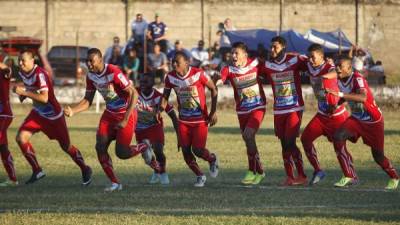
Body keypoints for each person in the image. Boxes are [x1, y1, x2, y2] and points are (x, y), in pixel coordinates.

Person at [64, 48, 159, 192]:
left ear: (100, 60)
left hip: (126, 113)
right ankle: (115, 183)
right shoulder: (90, 76)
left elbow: (134, 93)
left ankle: (144, 146)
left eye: (92, 61)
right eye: (87, 61)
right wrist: (73, 110)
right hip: (109, 114)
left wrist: (126, 118)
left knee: (122, 153)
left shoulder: (113, 72)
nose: (89, 64)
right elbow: (87, 100)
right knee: (100, 146)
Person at [13, 50, 92, 185]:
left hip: (53, 117)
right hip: (38, 114)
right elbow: (31, 90)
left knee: (66, 147)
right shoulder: (23, 73)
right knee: (21, 138)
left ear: (33, 61)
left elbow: (44, 98)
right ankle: (37, 170)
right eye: (19, 60)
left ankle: (85, 169)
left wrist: (24, 92)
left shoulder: (41, 74)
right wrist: (24, 94)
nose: (20, 63)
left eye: (23, 60)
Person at [328, 55, 399, 190]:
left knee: (378, 156)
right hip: (356, 119)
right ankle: (348, 175)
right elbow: (346, 93)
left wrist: (341, 95)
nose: (337, 68)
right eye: (336, 65)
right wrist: (337, 105)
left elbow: (362, 97)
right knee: (337, 136)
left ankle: (394, 177)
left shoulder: (357, 78)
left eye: (340, 66)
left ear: (349, 68)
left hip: (373, 121)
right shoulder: (340, 79)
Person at [158, 52, 219, 187]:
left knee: (198, 150)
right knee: (185, 150)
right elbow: (165, 97)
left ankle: (212, 159)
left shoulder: (199, 74)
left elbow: (214, 89)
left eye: (177, 62)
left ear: (187, 63)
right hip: (184, 120)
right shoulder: (170, 77)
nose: (174, 64)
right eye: (173, 62)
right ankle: (200, 176)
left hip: (200, 120)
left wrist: (213, 112)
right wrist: (159, 110)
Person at [300, 44, 357, 187]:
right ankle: (318, 170)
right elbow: (300, 60)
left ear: (322, 57)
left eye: (314, 57)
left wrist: (323, 77)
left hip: (336, 115)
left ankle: (351, 175)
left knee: (339, 146)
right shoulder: (309, 64)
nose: (311, 60)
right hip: (321, 115)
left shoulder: (330, 67)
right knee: (305, 138)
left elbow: (336, 73)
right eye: (310, 57)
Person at [258, 36, 308, 186]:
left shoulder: (295, 59)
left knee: (290, 142)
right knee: (284, 144)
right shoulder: (267, 65)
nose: (272, 50)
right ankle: (289, 176)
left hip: (294, 107)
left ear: (284, 47)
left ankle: (302, 175)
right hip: (279, 110)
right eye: (271, 47)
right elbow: (252, 72)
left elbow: (313, 65)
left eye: (276, 47)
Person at [217, 42, 266, 185]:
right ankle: (252, 171)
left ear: (245, 54)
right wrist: (217, 81)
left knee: (248, 135)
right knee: (248, 141)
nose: (233, 56)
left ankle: (260, 171)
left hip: (258, 107)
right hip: (242, 110)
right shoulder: (229, 69)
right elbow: (222, 77)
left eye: (236, 53)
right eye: (232, 53)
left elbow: (270, 70)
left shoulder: (256, 63)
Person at [136, 73, 179, 185]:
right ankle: (156, 170)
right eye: (141, 82)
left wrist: (179, 135)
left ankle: (163, 173)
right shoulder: (134, 93)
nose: (142, 84)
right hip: (139, 128)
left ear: (152, 83)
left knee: (158, 150)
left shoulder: (159, 97)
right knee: (147, 156)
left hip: (155, 126)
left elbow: (173, 115)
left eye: (145, 82)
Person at [0, 63, 17, 187]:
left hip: (4, 114)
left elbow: (8, 70)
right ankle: (12, 179)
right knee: (3, 147)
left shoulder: (3, 72)